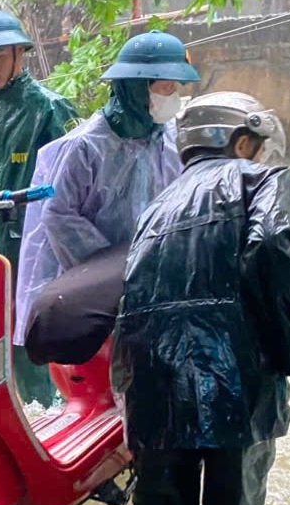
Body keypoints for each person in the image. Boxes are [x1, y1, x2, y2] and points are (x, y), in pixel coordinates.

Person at [111, 92, 290, 505]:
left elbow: (130, 299)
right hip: (237, 377)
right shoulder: (265, 180)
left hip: (155, 384)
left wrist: (127, 387)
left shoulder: (156, 208)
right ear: (243, 141)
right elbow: (278, 249)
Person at [14, 30, 200, 348]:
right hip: (98, 295)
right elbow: (59, 216)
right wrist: (116, 271)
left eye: (176, 87)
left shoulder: (171, 140)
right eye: (166, 86)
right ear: (136, 87)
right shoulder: (85, 148)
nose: (173, 95)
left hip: (160, 288)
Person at [0, 10, 79, 406]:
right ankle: (23, 419)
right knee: (0, 340)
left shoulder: (50, 108)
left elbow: (73, 185)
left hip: (39, 246)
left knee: (38, 338)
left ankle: (54, 415)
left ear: (18, 54)